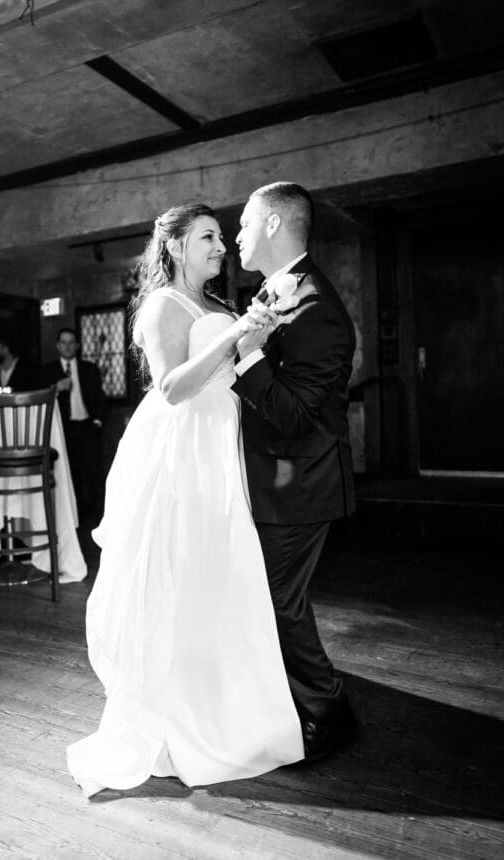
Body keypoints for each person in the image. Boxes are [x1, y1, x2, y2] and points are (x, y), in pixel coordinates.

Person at [66, 204, 304, 797]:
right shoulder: (161, 306)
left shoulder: (219, 306)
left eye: (223, 237)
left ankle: (229, 709)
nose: (221, 246)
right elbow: (172, 388)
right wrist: (232, 335)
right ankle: (178, 718)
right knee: (183, 572)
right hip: (180, 450)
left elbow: (234, 364)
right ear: (173, 246)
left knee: (222, 573)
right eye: (208, 237)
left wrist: (255, 330)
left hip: (221, 445)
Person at [233, 181, 358, 762]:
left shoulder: (315, 309)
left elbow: (293, 415)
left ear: (276, 225)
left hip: (300, 481)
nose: (237, 236)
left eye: (244, 224)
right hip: (273, 478)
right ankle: (288, 695)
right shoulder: (274, 293)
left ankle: (327, 710)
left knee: (279, 601)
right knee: (270, 599)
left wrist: (249, 354)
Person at [39, 328, 106, 517]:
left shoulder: (89, 368)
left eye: (71, 342)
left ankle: (100, 518)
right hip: (63, 430)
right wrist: (56, 388)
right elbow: (39, 396)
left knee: (94, 473)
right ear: (58, 345)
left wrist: (98, 422)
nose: (67, 346)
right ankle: (76, 517)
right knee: (70, 474)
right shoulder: (48, 371)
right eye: (63, 342)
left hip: (87, 427)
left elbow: (100, 397)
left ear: (76, 345)